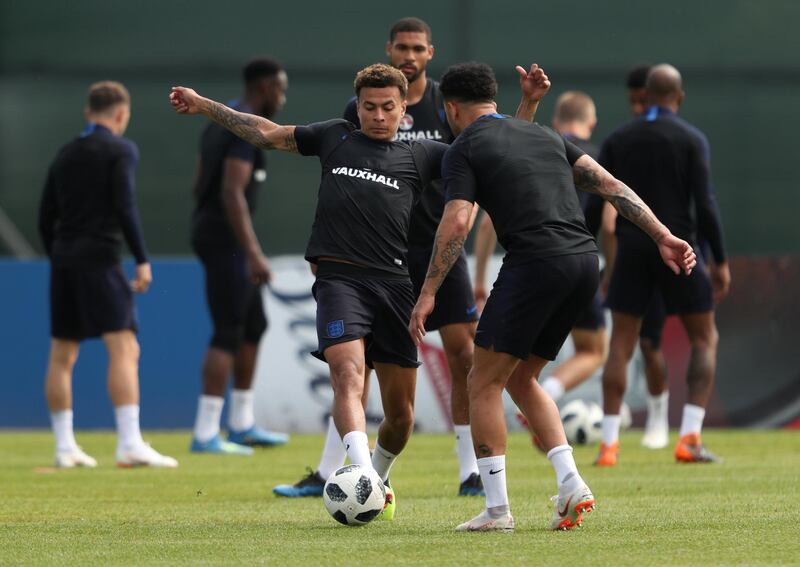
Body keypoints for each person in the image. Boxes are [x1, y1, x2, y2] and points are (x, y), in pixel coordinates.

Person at [171, 61, 546, 520]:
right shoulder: (335, 137)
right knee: (348, 375)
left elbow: (498, 151)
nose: (378, 115)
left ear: (403, 106)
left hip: (395, 286)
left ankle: (377, 474)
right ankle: (362, 473)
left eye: (388, 107)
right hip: (339, 280)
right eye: (369, 106)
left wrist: (527, 104)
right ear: (358, 106)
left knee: (401, 418)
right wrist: (205, 105)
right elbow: (266, 133)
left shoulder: (425, 155)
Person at [409, 62, 696, 531]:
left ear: (451, 109)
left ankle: (497, 510)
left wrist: (427, 293)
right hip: (583, 263)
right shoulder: (545, 136)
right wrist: (662, 234)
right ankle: (570, 483)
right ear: (495, 100)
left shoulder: (462, 148)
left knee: (482, 382)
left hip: (535, 264)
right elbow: (612, 187)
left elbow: (458, 221)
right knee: (522, 379)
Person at [273, 17, 552, 499]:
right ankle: (333, 471)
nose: (408, 54)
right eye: (401, 46)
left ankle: (468, 468)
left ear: (428, 55)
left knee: (465, 353)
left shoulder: (449, 107)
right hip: (378, 256)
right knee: (353, 365)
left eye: (417, 48)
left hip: (440, 248)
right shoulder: (358, 114)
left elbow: (494, 150)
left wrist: (527, 105)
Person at [595, 64, 730, 466]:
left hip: (632, 250)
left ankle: (609, 446)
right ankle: (689, 437)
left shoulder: (619, 138)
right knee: (704, 339)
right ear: (680, 97)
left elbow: (595, 198)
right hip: (681, 250)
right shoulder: (692, 139)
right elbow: (705, 204)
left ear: (645, 96)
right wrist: (719, 259)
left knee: (620, 344)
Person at [38, 81, 177, 468]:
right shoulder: (121, 149)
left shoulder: (65, 154)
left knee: (62, 353)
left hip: (64, 261)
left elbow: (45, 215)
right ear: (121, 114)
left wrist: (60, 254)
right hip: (100, 260)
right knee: (124, 347)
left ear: (89, 112)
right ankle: (129, 443)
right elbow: (125, 206)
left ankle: (65, 447)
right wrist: (142, 258)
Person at [474, 91, 608, 417]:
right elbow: (613, 225)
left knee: (495, 368)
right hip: (578, 264)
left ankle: (529, 404)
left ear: (556, 122)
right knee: (593, 350)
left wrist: (478, 279)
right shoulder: (598, 160)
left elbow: (487, 224)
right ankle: (545, 395)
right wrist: (610, 275)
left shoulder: (539, 150)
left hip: (528, 267)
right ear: (592, 121)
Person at [189, 58, 290, 455]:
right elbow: (232, 191)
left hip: (216, 233)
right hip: (226, 239)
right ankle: (204, 433)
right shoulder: (244, 127)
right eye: (280, 89)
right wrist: (252, 253)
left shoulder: (219, 121)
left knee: (253, 325)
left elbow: (200, 182)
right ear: (266, 88)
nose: (282, 98)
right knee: (228, 330)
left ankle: (242, 423)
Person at [603, 64, 673, 449]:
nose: (636, 108)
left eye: (642, 100)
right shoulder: (623, 142)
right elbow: (608, 213)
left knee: (650, 343)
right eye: (632, 101)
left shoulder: (672, 140)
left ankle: (659, 418)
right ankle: (612, 436)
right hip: (631, 254)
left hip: (662, 252)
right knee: (625, 342)